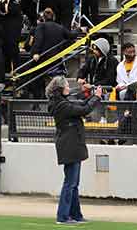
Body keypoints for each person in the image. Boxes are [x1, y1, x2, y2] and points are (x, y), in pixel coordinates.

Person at [47, 75, 101, 225]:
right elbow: (84, 108)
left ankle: (75, 214)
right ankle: (63, 216)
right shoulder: (62, 105)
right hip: (70, 145)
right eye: (66, 86)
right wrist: (95, 97)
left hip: (71, 144)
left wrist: (89, 93)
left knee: (73, 183)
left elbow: (79, 101)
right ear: (60, 89)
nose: (68, 88)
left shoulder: (60, 102)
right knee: (70, 182)